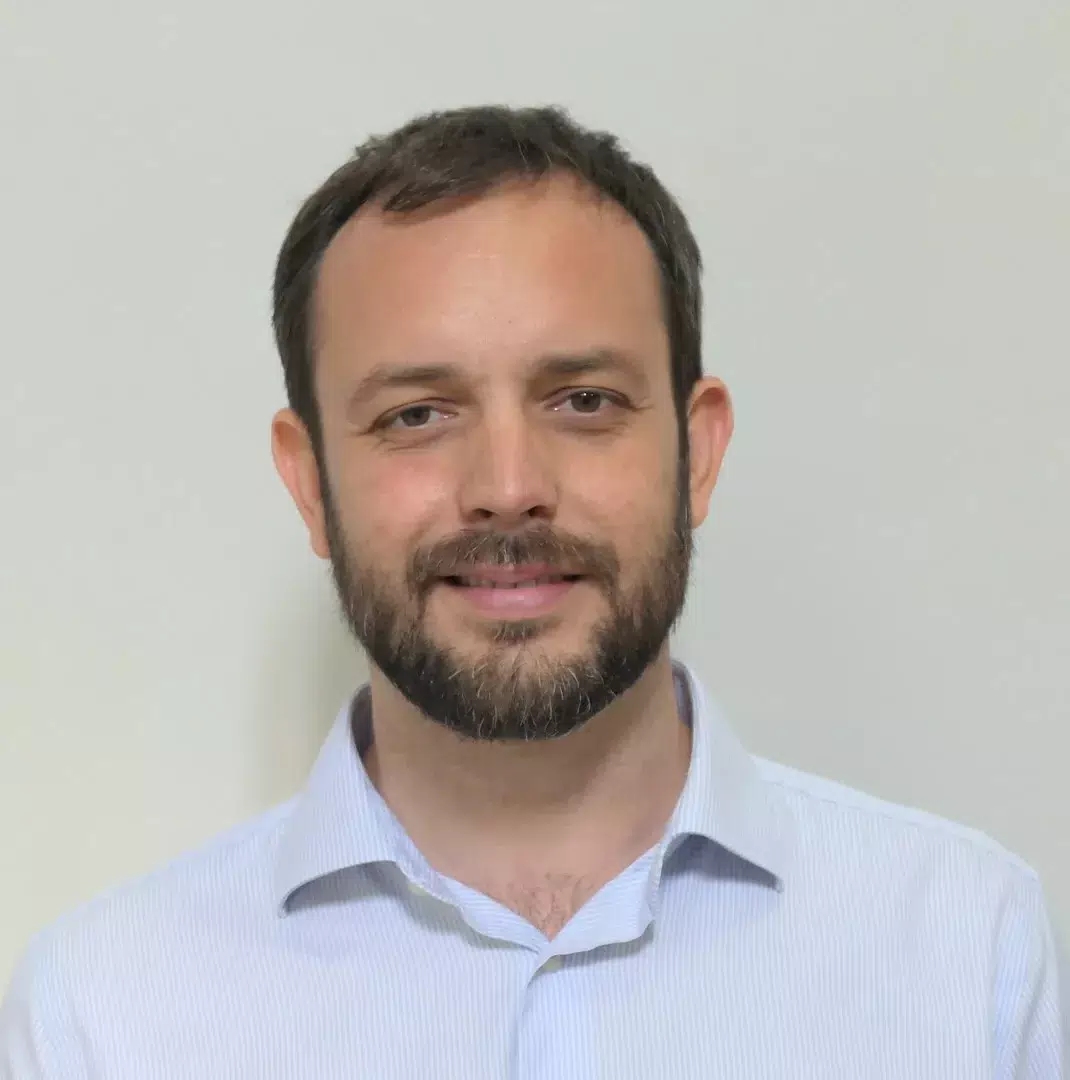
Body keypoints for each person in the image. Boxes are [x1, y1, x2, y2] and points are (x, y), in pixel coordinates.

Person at [1, 104, 1065, 1079]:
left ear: (695, 454)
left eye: (583, 399)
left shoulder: (969, 953)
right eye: (417, 414)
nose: (508, 490)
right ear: (309, 480)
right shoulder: (103, 1016)